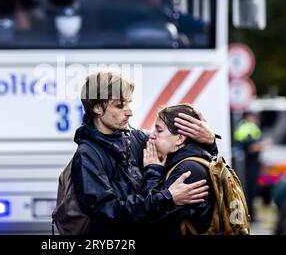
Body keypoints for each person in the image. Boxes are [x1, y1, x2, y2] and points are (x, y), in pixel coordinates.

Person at [71, 71, 218, 235]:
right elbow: (107, 211)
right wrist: (168, 198)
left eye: (128, 103)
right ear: (97, 108)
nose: (130, 112)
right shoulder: (86, 155)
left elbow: (179, 149)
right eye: (120, 105)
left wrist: (210, 141)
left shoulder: (138, 137)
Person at [143, 104, 216, 235]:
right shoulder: (184, 161)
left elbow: (152, 220)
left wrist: (152, 171)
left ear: (180, 138)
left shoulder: (187, 170)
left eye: (159, 130)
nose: (151, 136)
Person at [234, 111, 271, 221]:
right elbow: (251, 147)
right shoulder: (248, 128)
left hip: (248, 165)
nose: (256, 119)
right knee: (250, 192)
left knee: (250, 191)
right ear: (248, 117)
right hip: (249, 167)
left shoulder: (246, 127)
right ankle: (250, 216)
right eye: (254, 116)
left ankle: (250, 215)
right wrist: (263, 145)